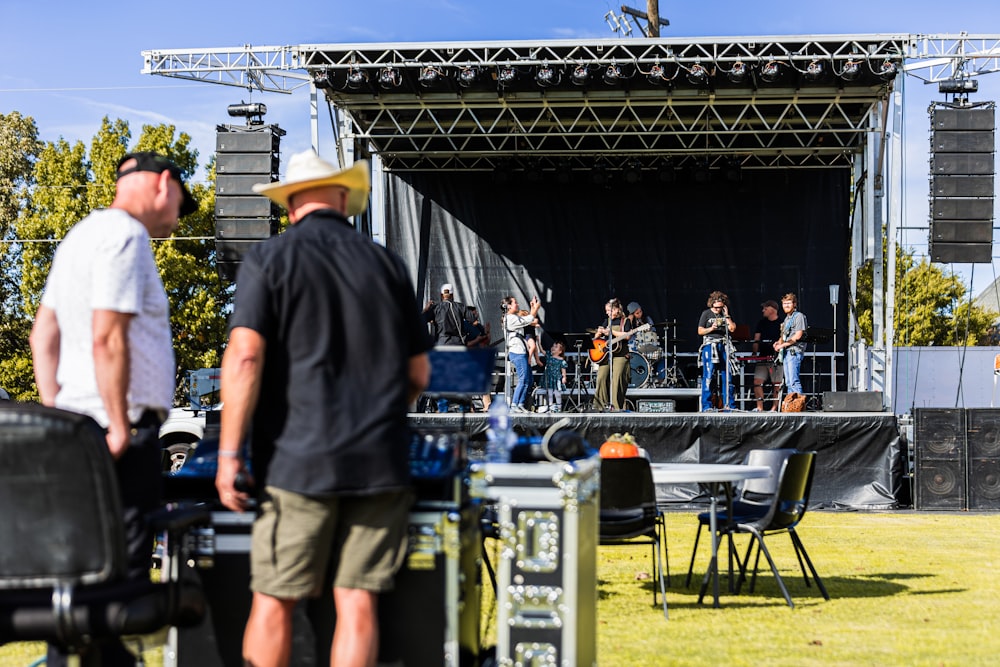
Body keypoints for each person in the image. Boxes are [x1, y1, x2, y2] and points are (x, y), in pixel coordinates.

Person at [213, 150, 431, 667]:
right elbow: (419, 374)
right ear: (342, 198)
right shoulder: (387, 264)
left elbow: (244, 357)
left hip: (295, 463)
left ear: (290, 205)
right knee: (357, 604)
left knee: (274, 600)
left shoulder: (267, 260)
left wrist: (228, 454)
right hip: (379, 463)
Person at [29, 151, 198, 667]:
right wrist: (121, 427)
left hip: (75, 432)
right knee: (116, 594)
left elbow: (43, 335)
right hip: (116, 435)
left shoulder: (79, 236)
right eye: (181, 206)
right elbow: (108, 336)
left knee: (77, 588)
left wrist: (53, 415)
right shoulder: (127, 236)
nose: (177, 220)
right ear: (164, 184)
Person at [697, 290, 737, 411]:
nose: (718, 309)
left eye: (721, 307)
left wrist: (727, 315)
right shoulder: (706, 313)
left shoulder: (725, 314)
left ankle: (728, 405)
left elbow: (732, 328)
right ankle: (706, 406)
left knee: (727, 376)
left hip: (724, 345)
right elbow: (700, 331)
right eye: (716, 307)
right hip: (710, 344)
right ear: (712, 304)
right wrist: (711, 328)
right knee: (708, 375)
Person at [592, 298, 633, 411]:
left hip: (621, 355)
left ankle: (616, 407)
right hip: (606, 355)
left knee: (617, 380)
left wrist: (611, 332)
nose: (607, 313)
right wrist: (599, 333)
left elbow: (628, 335)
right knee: (601, 377)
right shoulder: (607, 321)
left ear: (616, 310)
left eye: (609, 310)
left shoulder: (625, 321)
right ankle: (599, 406)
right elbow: (596, 339)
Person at [502, 294, 542, 412]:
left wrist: (533, 308)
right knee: (523, 378)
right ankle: (514, 404)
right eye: (515, 303)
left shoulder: (513, 317)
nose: (517, 304)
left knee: (528, 379)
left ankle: (520, 404)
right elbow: (528, 319)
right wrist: (535, 308)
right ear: (508, 306)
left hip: (521, 351)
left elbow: (528, 320)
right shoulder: (510, 318)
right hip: (517, 352)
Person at [752, 300, 785, 411]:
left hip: (776, 359)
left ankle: (774, 408)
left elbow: (784, 338)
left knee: (776, 384)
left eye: (765, 309)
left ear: (772, 309)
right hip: (762, 357)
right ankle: (759, 407)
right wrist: (754, 353)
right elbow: (756, 339)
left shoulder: (782, 323)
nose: (763, 311)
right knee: (757, 382)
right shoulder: (761, 323)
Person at [774, 292, 808, 397]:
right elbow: (784, 336)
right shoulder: (787, 319)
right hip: (786, 352)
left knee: (794, 381)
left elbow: (797, 336)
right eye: (784, 304)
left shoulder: (799, 316)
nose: (786, 306)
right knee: (788, 382)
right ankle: (792, 406)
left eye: (789, 303)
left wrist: (782, 345)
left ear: (794, 304)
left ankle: (799, 408)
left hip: (794, 351)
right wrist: (778, 342)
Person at [541, 340, 569, 412]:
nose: (553, 348)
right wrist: (538, 341)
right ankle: (550, 406)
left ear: (560, 351)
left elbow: (563, 370)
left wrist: (564, 377)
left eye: (556, 347)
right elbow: (542, 350)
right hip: (549, 378)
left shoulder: (561, 360)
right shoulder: (549, 356)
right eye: (553, 346)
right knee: (549, 393)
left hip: (557, 378)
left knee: (557, 393)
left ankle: (559, 407)